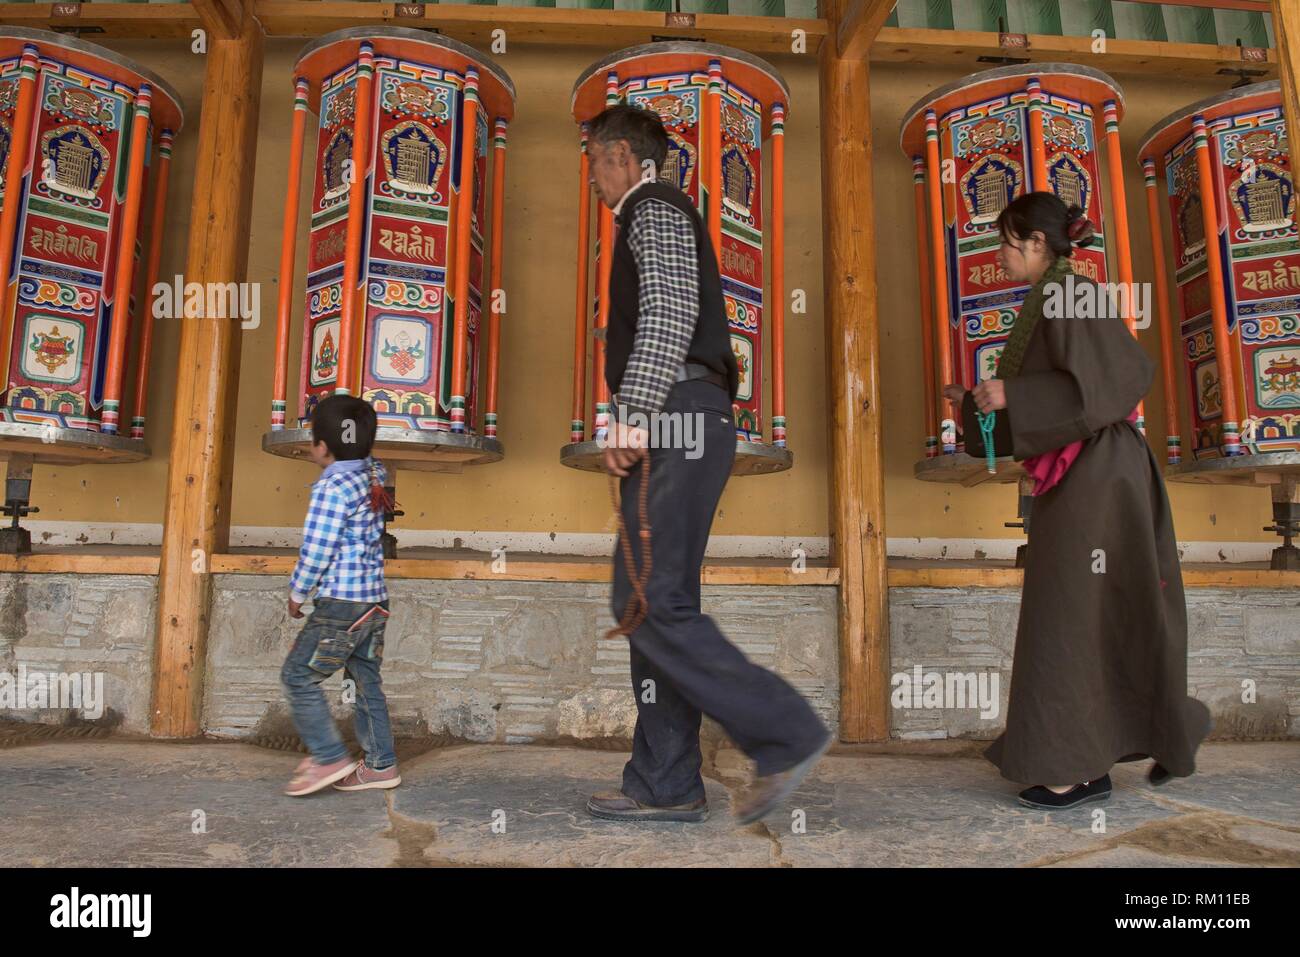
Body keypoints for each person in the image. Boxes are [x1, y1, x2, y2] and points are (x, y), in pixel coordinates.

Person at [582, 104, 832, 825]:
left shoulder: (652, 207)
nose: (594, 178)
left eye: (597, 160)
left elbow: (666, 310)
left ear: (625, 157)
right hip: (692, 413)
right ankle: (665, 781)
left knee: (651, 600)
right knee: (651, 602)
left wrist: (632, 412)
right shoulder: (657, 210)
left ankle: (785, 731)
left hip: (675, 413)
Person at [943, 192, 1212, 810]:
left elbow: (1113, 385)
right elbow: (1064, 388)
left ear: (1038, 244)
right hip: (1087, 473)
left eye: (1007, 244)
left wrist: (1012, 396)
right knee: (1085, 614)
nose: (1000, 256)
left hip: (1100, 476)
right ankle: (1113, 749)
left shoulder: (1073, 292)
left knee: (1070, 616)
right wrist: (978, 400)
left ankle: (1074, 767)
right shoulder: (1055, 294)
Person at [280, 394, 401, 797]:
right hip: (375, 602)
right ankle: (381, 764)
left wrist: (298, 592)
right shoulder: (375, 473)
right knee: (366, 681)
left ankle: (329, 756)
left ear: (323, 446)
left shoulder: (332, 487)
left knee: (298, 675)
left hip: (340, 604)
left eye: (314, 437)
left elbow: (318, 548)